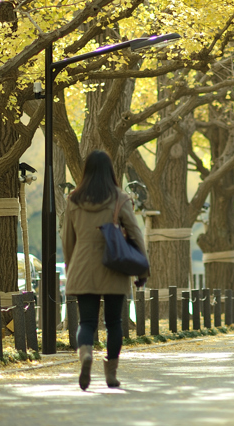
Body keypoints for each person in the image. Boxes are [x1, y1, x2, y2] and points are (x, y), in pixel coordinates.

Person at [62, 150, 148, 390]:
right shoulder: (120, 199)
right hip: (114, 265)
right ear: (110, 170)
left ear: (86, 171)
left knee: (87, 321)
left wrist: (72, 265)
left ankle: (86, 355)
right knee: (114, 323)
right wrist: (142, 268)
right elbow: (135, 233)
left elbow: (67, 239)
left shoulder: (73, 200)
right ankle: (111, 374)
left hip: (82, 265)